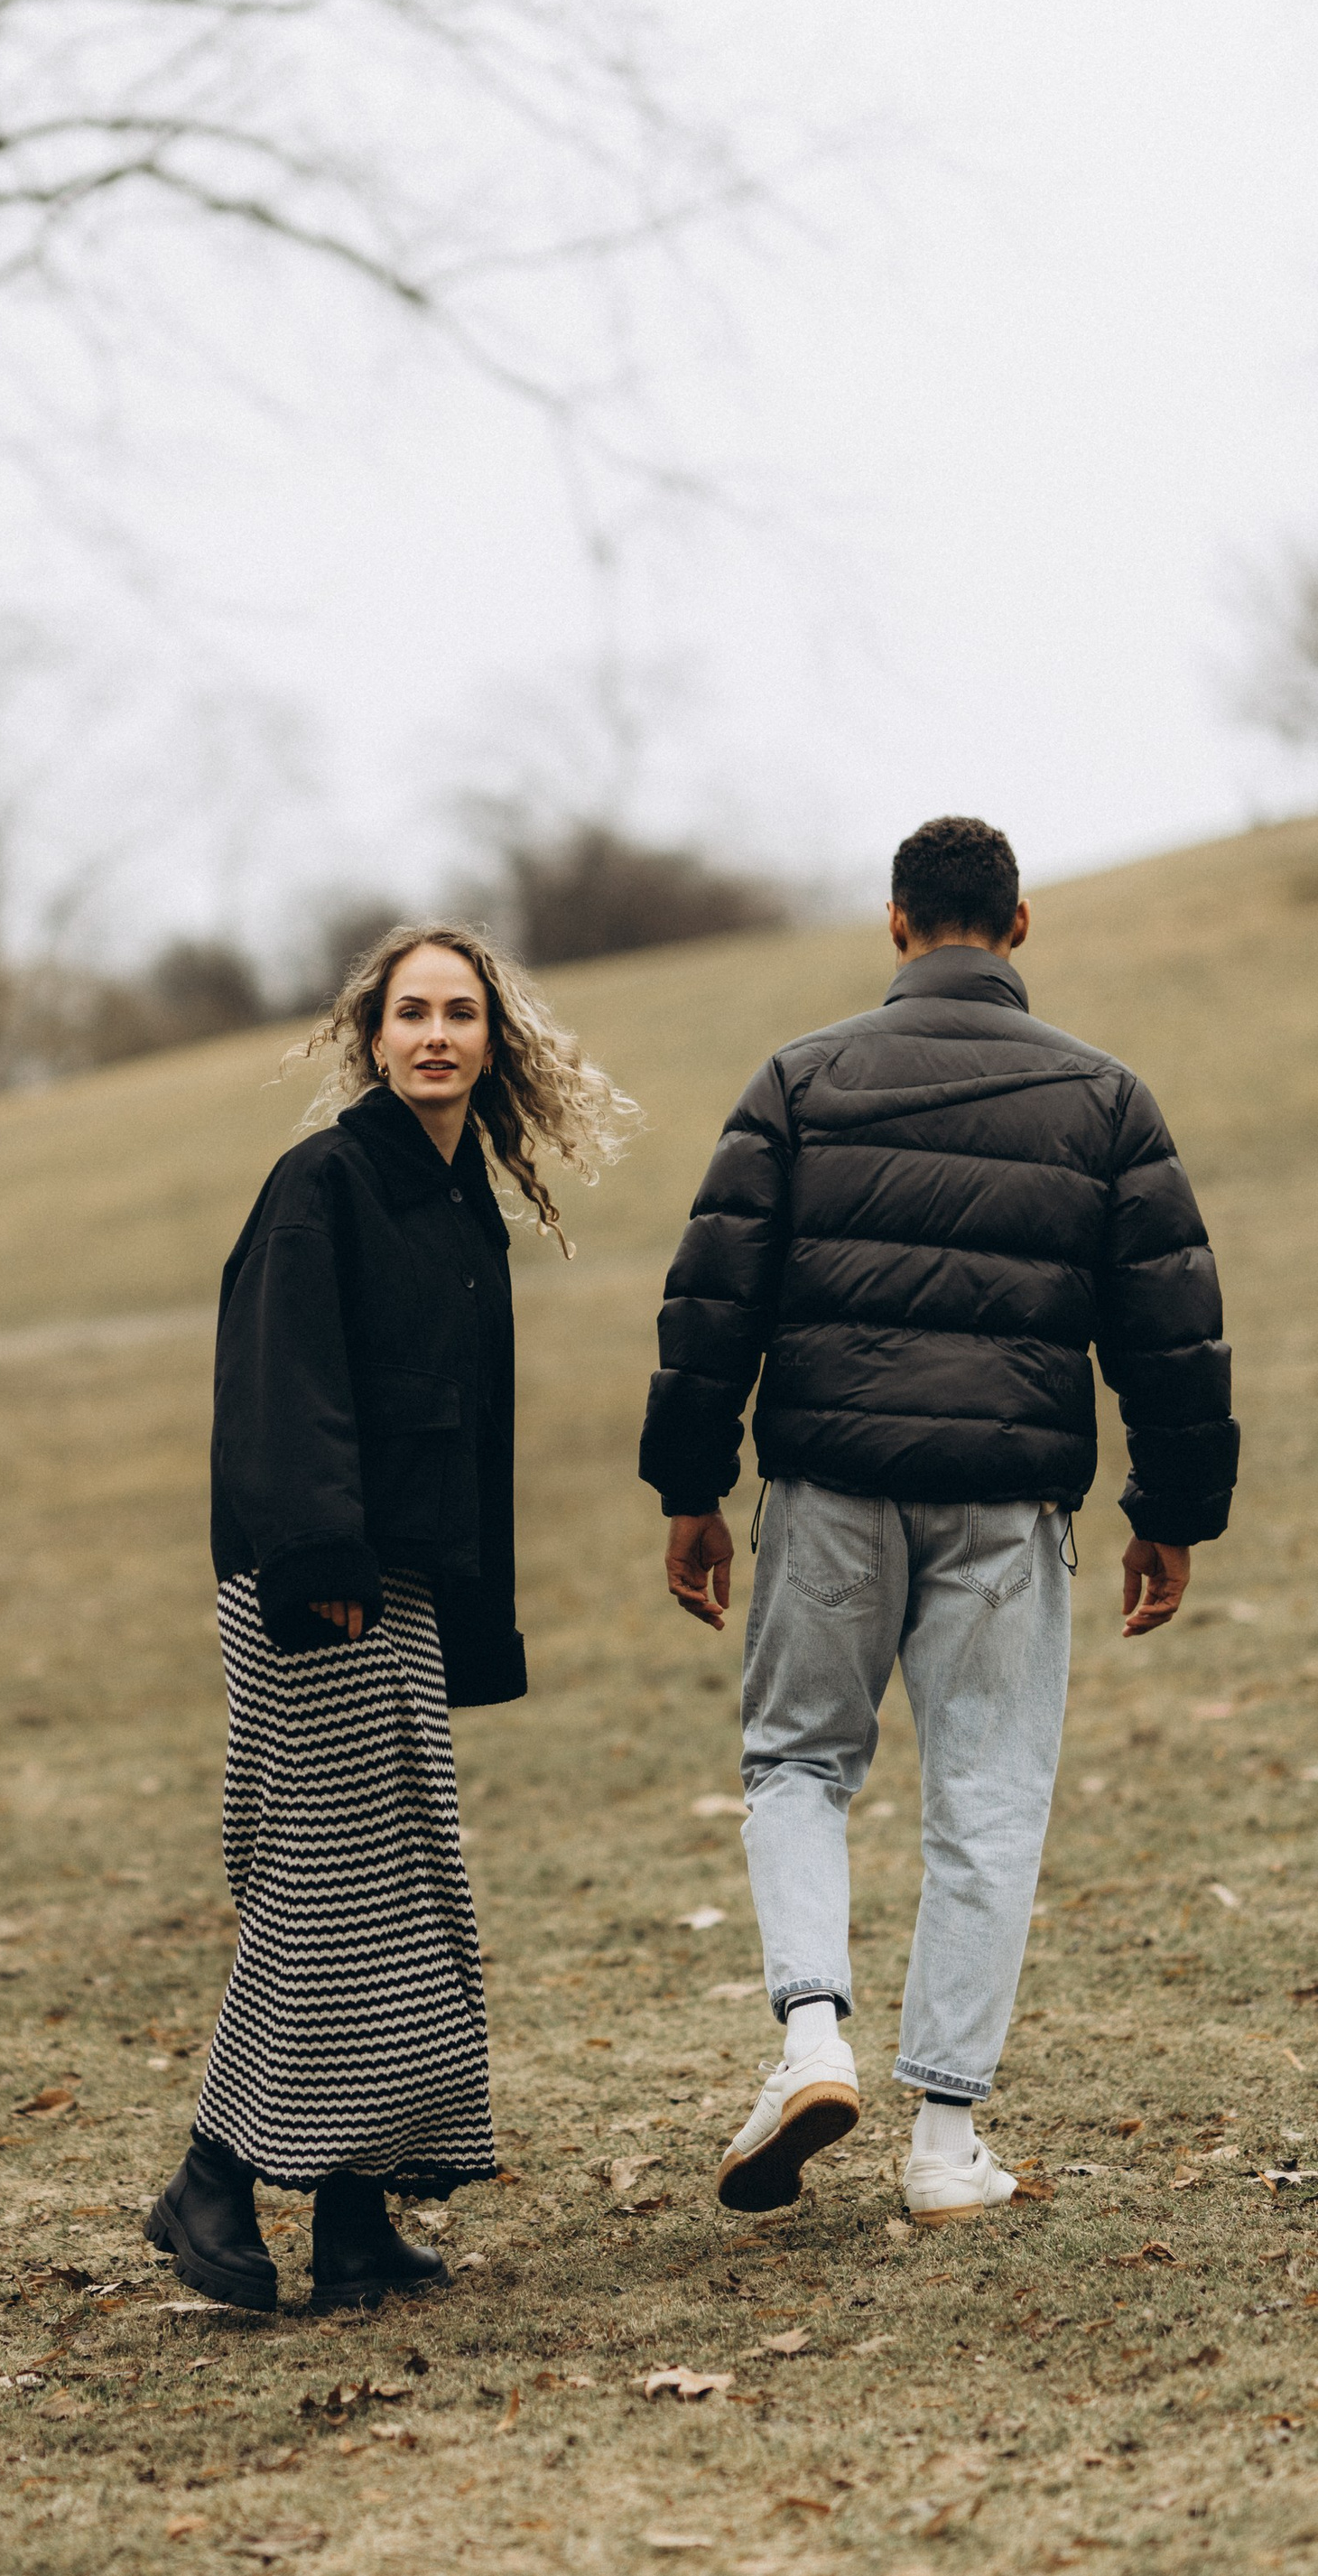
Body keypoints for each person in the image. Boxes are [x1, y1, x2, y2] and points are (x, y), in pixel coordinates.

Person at [639, 816, 1236, 2223]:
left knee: (799, 1761)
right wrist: (1172, 1513)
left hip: (829, 1488)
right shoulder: (1105, 1098)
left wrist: (691, 1489)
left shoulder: (800, 1079)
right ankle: (946, 2143)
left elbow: (711, 1298)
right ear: (1019, 925)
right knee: (988, 1801)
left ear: (897, 923)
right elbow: (1172, 1330)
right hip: (1006, 1506)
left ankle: (811, 2040)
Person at [148, 924, 634, 2313]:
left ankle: (356, 2217)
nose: (435, 1035)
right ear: (373, 1036)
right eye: (412, 1012)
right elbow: (279, 1382)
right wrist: (321, 1556)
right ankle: (211, 2178)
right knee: (330, 1885)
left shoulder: (458, 1199)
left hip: (399, 1582)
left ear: (492, 1040)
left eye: (459, 1013)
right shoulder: (325, 1181)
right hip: (318, 1582)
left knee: (401, 1889)